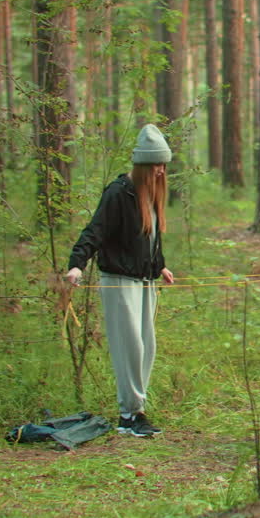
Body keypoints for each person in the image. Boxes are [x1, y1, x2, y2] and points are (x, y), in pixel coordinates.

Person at [65, 124, 175, 437]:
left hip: (144, 282)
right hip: (118, 281)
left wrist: (160, 265)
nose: (161, 171)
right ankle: (130, 415)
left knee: (146, 346)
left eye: (164, 165)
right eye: (156, 165)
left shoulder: (151, 193)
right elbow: (94, 231)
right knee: (130, 347)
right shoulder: (118, 192)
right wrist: (77, 266)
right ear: (142, 166)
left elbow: (150, 238)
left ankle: (135, 409)